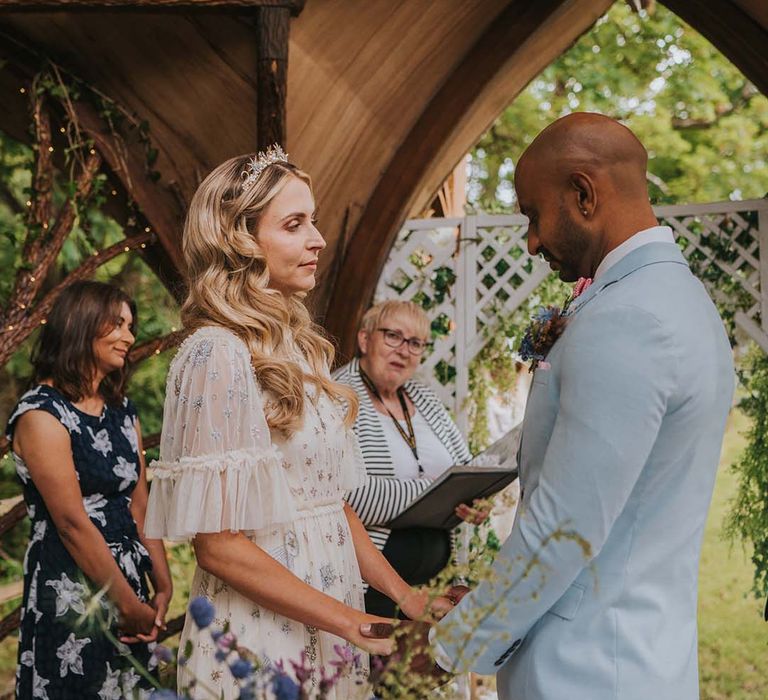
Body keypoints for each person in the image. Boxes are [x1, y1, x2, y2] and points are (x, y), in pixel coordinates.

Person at [362, 113, 735, 700]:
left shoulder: (629, 320)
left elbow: (563, 526)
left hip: (587, 670)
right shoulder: (678, 300)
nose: (532, 241)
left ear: (583, 193)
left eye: (534, 215)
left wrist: (445, 647)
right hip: (635, 652)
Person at [144, 146, 453, 699]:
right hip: (258, 638)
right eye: (295, 224)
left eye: (313, 220)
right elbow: (218, 546)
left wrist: (404, 597)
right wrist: (350, 622)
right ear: (240, 242)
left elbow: (328, 503)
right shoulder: (216, 356)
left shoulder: (304, 352)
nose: (319, 239)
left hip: (333, 624)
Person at [5, 280, 172, 699]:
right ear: (82, 324)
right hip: (71, 585)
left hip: (132, 579)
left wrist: (163, 586)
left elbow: (140, 503)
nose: (129, 337)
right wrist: (128, 607)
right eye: (117, 324)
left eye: (130, 326)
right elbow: (71, 522)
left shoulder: (122, 411)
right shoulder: (40, 414)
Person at [335, 300, 486, 618]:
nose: (403, 350)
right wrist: (437, 493)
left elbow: (466, 471)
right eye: (393, 336)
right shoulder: (338, 395)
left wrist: (475, 500)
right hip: (371, 588)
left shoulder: (423, 395)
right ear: (365, 340)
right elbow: (347, 494)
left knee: (423, 668)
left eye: (415, 343)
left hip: (436, 585)